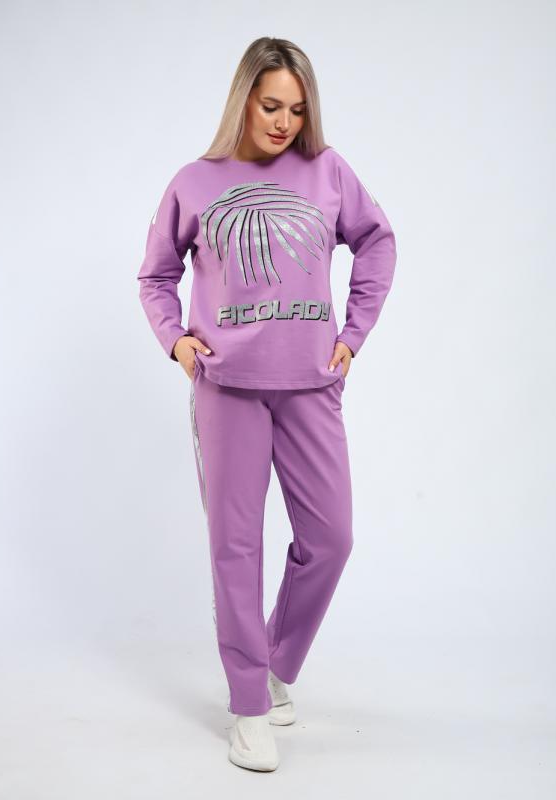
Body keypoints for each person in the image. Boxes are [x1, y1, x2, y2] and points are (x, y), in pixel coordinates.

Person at [136, 36, 397, 772]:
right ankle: (249, 705)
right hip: (227, 389)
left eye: (297, 109)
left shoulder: (328, 170)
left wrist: (353, 333)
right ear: (243, 100)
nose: (284, 122)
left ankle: (275, 663)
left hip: (311, 384)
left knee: (331, 538)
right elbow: (155, 275)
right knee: (237, 547)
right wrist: (177, 342)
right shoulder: (195, 181)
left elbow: (377, 242)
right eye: (271, 105)